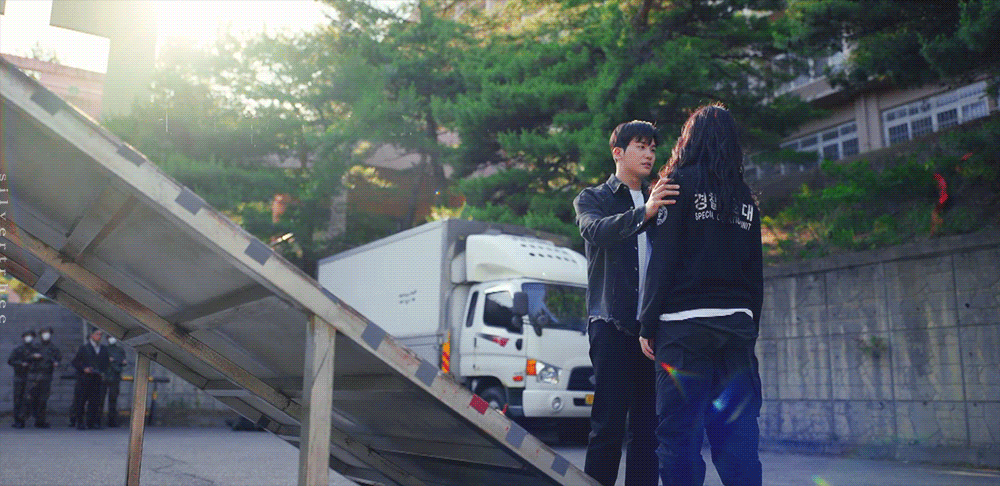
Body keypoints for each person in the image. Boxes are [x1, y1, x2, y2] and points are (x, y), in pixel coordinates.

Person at [639, 104, 763, 486]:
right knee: (738, 436)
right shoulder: (745, 198)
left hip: (683, 330)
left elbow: (663, 260)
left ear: (689, 140)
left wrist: (647, 323)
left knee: (680, 436)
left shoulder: (676, 185)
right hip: (736, 331)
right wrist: (749, 327)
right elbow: (755, 274)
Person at [573, 120, 680, 486]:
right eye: (641, 146)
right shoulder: (593, 198)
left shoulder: (662, 198)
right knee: (607, 426)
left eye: (652, 147)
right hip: (610, 325)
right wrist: (645, 212)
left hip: (651, 330)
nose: (649, 154)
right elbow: (595, 231)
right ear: (618, 152)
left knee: (648, 429)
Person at [71, 328, 109, 430]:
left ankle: (92, 422)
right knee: (81, 400)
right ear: (92, 335)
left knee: (95, 401)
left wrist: (102, 371)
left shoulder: (103, 349)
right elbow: (75, 362)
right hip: (85, 379)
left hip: (97, 378)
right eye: (97, 334)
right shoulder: (84, 348)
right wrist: (84, 369)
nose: (99, 337)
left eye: (100, 335)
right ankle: (80, 422)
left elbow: (106, 363)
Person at [27, 327, 62, 428]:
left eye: (48, 333)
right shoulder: (35, 346)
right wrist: (33, 356)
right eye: (44, 333)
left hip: (46, 376)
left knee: (43, 399)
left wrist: (56, 363)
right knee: (32, 397)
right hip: (34, 376)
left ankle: (40, 420)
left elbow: (58, 359)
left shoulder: (53, 348)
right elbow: (26, 356)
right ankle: (32, 415)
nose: (46, 335)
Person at [7, 330, 36, 428]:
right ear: (23, 337)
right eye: (27, 336)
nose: (29, 338)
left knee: (29, 399)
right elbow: (10, 361)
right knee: (18, 399)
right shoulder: (18, 349)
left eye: (31, 336)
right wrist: (21, 363)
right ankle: (18, 420)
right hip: (19, 376)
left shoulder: (36, 349)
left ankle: (32, 418)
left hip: (32, 377)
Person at [103, 336, 126, 427]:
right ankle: (98, 420)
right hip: (106, 376)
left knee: (113, 399)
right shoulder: (105, 349)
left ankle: (112, 420)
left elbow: (123, 361)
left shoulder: (119, 350)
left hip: (114, 376)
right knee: (101, 398)